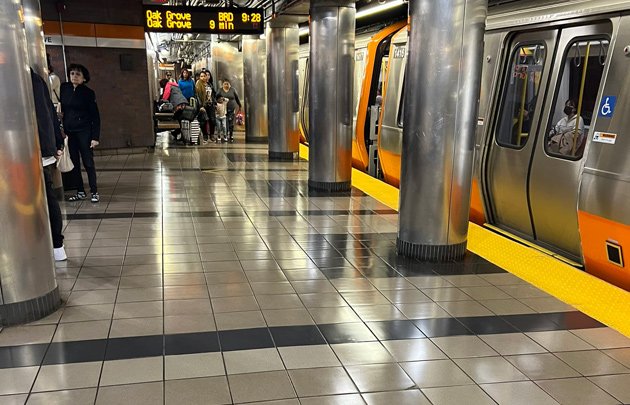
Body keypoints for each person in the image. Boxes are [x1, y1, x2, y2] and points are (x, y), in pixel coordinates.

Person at [31, 68, 66, 261]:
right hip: (43, 148)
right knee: (48, 195)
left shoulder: (22, 79)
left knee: (44, 197)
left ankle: (54, 244)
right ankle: (57, 245)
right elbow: (49, 113)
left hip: (32, 151)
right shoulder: (36, 79)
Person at [60, 63, 101, 203]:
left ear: (84, 78)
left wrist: (95, 137)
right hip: (69, 131)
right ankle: (80, 191)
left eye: (78, 74)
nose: (74, 76)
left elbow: (95, 116)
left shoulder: (88, 93)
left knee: (88, 162)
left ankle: (94, 191)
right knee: (74, 162)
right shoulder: (64, 88)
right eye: (72, 73)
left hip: (84, 131)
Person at [195, 70, 216, 143]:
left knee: (212, 120)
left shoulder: (209, 84)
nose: (203, 77)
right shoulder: (198, 84)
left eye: (205, 76)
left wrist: (214, 102)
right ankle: (205, 135)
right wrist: (200, 106)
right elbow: (197, 95)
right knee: (203, 120)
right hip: (203, 105)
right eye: (202, 76)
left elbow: (213, 94)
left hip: (210, 104)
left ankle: (212, 135)